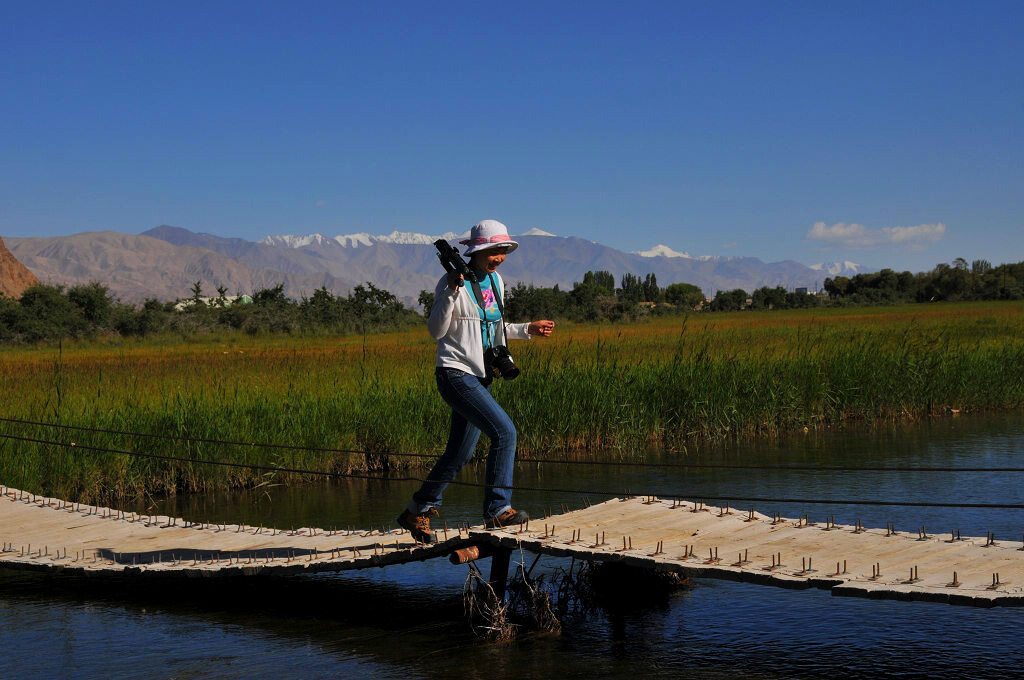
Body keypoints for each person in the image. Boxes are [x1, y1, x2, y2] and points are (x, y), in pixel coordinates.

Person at [397, 219, 555, 543]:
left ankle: (417, 510)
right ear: (478, 251)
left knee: (458, 454)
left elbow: (491, 326)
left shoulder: (495, 282)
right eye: (494, 251)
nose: (499, 257)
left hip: (480, 376)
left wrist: (527, 329)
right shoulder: (451, 281)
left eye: (503, 252)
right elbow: (436, 330)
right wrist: (452, 293)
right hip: (455, 373)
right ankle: (498, 511)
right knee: (505, 432)